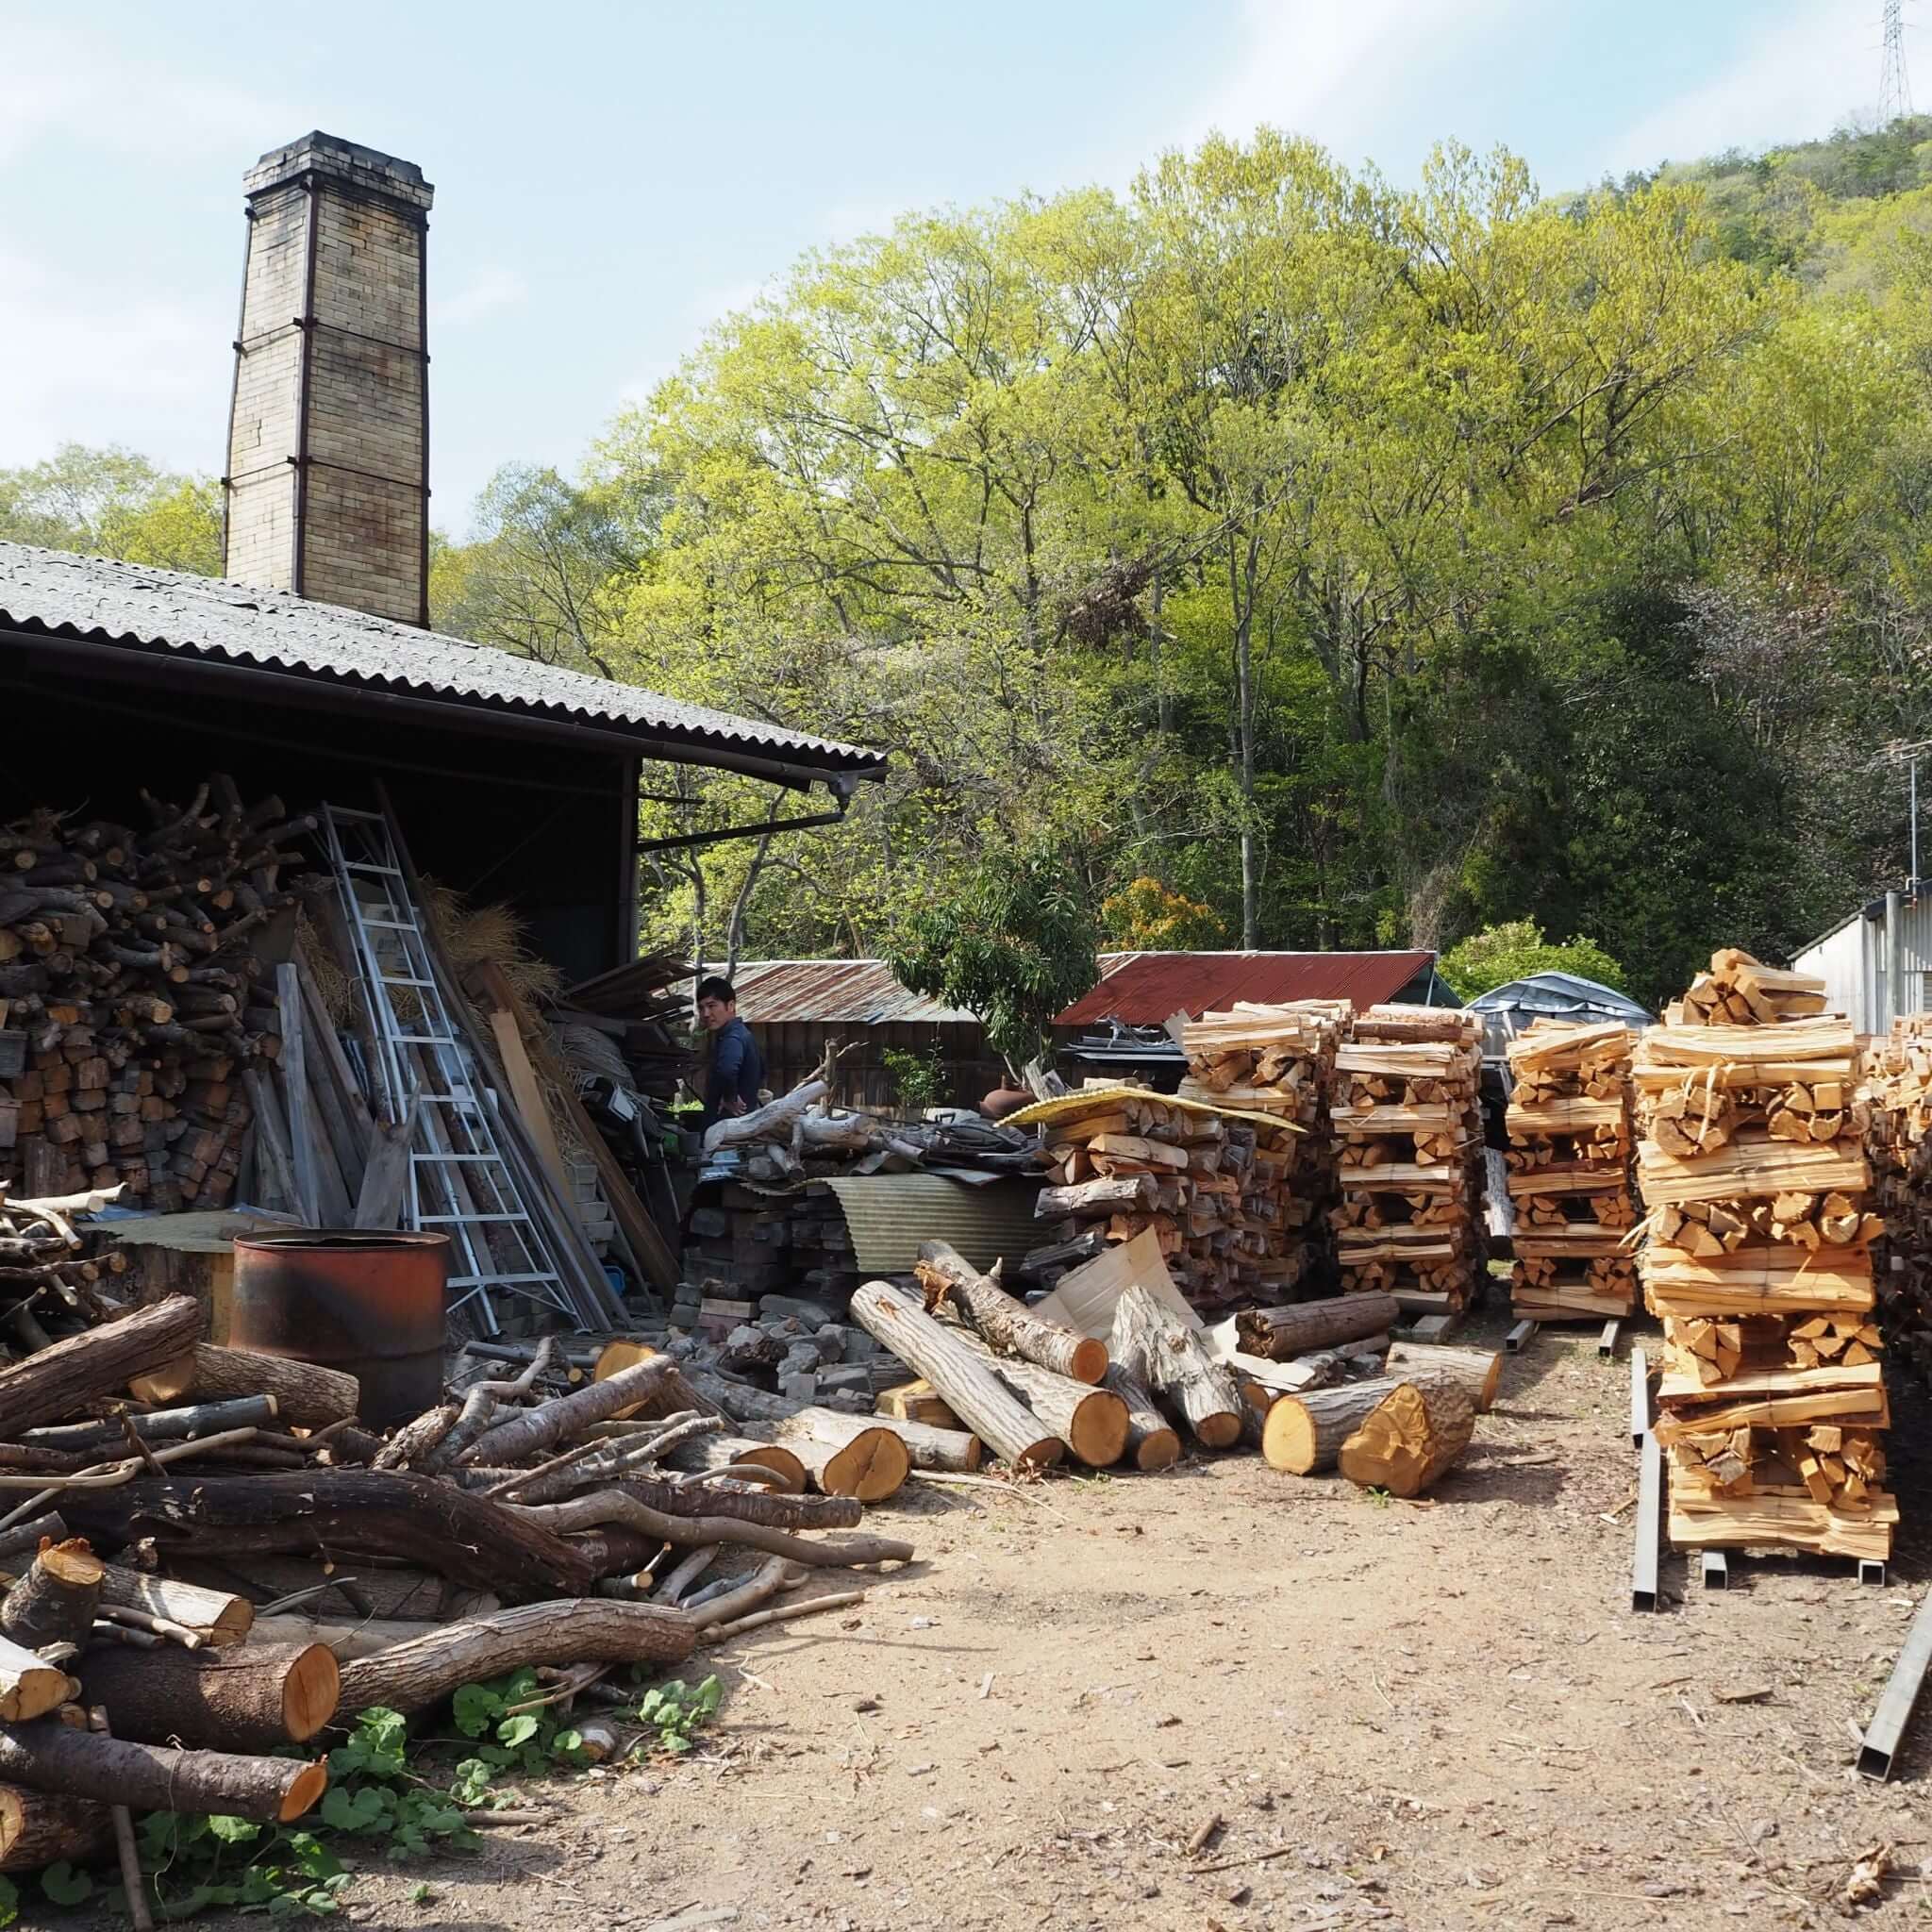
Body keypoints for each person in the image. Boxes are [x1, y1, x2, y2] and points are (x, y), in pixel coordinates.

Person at [696, 974, 763, 1126]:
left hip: (727, 1130)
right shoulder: (744, 1034)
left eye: (712, 1006)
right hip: (739, 1125)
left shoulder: (733, 1038)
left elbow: (727, 1070)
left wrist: (730, 1097)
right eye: (701, 1007)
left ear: (731, 1006)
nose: (706, 1014)